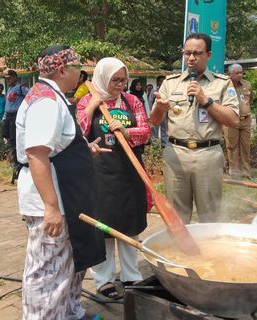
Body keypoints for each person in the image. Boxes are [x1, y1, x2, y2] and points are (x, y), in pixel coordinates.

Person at [15, 44, 106, 320]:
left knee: (69, 265)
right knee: (48, 272)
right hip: (53, 201)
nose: (81, 72)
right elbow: (36, 153)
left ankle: (70, 314)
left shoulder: (53, 96)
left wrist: (83, 149)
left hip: (69, 196)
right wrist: (51, 207)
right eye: (78, 66)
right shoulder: (46, 102)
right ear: (63, 69)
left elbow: (55, 146)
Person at [77, 57, 150, 299]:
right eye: (114, 80)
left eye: (123, 80)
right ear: (102, 78)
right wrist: (93, 105)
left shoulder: (133, 101)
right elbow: (77, 133)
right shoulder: (87, 101)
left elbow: (146, 131)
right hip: (100, 174)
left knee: (130, 226)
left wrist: (127, 132)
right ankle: (103, 280)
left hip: (130, 171)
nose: (120, 85)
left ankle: (131, 276)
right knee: (104, 228)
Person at [150, 32, 239, 223]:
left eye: (197, 53)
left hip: (207, 155)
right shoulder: (170, 82)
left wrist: (205, 100)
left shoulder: (221, 83)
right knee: (176, 217)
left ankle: (210, 252)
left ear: (208, 55)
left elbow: (233, 120)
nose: (191, 58)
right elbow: (155, 121)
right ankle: (179, 252)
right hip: (175, 155)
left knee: (210, 215)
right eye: (187, 52)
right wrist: (159, 108)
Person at [224, 63, 253, 178]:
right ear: (230, 74)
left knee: (246, 146)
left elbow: (249, 100)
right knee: (232, 146)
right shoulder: (225, 86)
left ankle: (246, 172)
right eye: (237, 73)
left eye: (241, 72)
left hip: (246, 120)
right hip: (230, 120)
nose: (240, 75)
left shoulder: (247, 85)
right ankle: (234, 171)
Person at [2, 69, 29, 165]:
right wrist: (4, 117)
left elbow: (31, 96)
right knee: (8, 137)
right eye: (6, 79)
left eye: (9, 78)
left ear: (14, 77)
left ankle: (18, 162)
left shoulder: (21, 88)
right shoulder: (9, 89)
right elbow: (8, 105)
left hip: (16, 116)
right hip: (8, 116)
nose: (7, 81)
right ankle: (13, 158)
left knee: (15, 139)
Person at [148, 75, 168, 146]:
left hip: (165, 113)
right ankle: (154, 144)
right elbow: (150, 101)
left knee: (164, 129)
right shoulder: (154, 91)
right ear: (157, 82)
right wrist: (152, 112)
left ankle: (164, 144)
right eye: (161, 81)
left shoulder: (168, 90)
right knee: (154, 129)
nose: (162, 83)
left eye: (164, 81)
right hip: (156, 113)